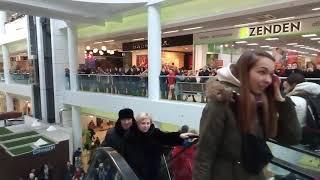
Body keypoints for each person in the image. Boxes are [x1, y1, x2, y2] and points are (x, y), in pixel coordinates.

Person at [193, 50, 301, 180]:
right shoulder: (221, 103)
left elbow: (292, 138)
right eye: (262, 72)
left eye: (271, 75)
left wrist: (281, 100)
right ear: (244, 72)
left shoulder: (263, 103)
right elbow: (204, 154)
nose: (268, 80)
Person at [123, 112, 197, 180]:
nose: (146, 126)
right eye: (143, 123)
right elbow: (127, 156)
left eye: (148, 123)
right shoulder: (131, 136)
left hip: (153, 171)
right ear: (137, 124)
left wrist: (180, 135)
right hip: (136, 172)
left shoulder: (154, 132)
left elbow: (166, 137)